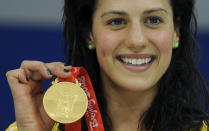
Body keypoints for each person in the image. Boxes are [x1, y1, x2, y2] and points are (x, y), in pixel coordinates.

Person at [6, 0, 209, 130]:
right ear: (89, 34)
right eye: (116, 21)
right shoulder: (33, 128)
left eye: (154, 20)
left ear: (177, 32)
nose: (136, 40)